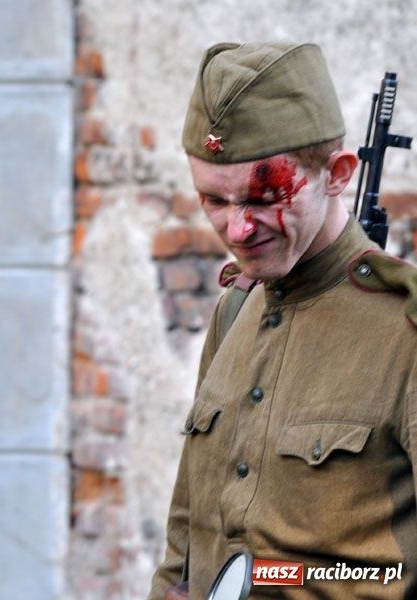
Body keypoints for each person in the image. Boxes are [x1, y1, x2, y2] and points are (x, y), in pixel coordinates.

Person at [148, 42, 417, 598]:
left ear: (337, 173)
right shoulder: (235, 309)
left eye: (264, 197)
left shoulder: (405, 333)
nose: (238, 229)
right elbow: (185, 545)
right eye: (214, 201)